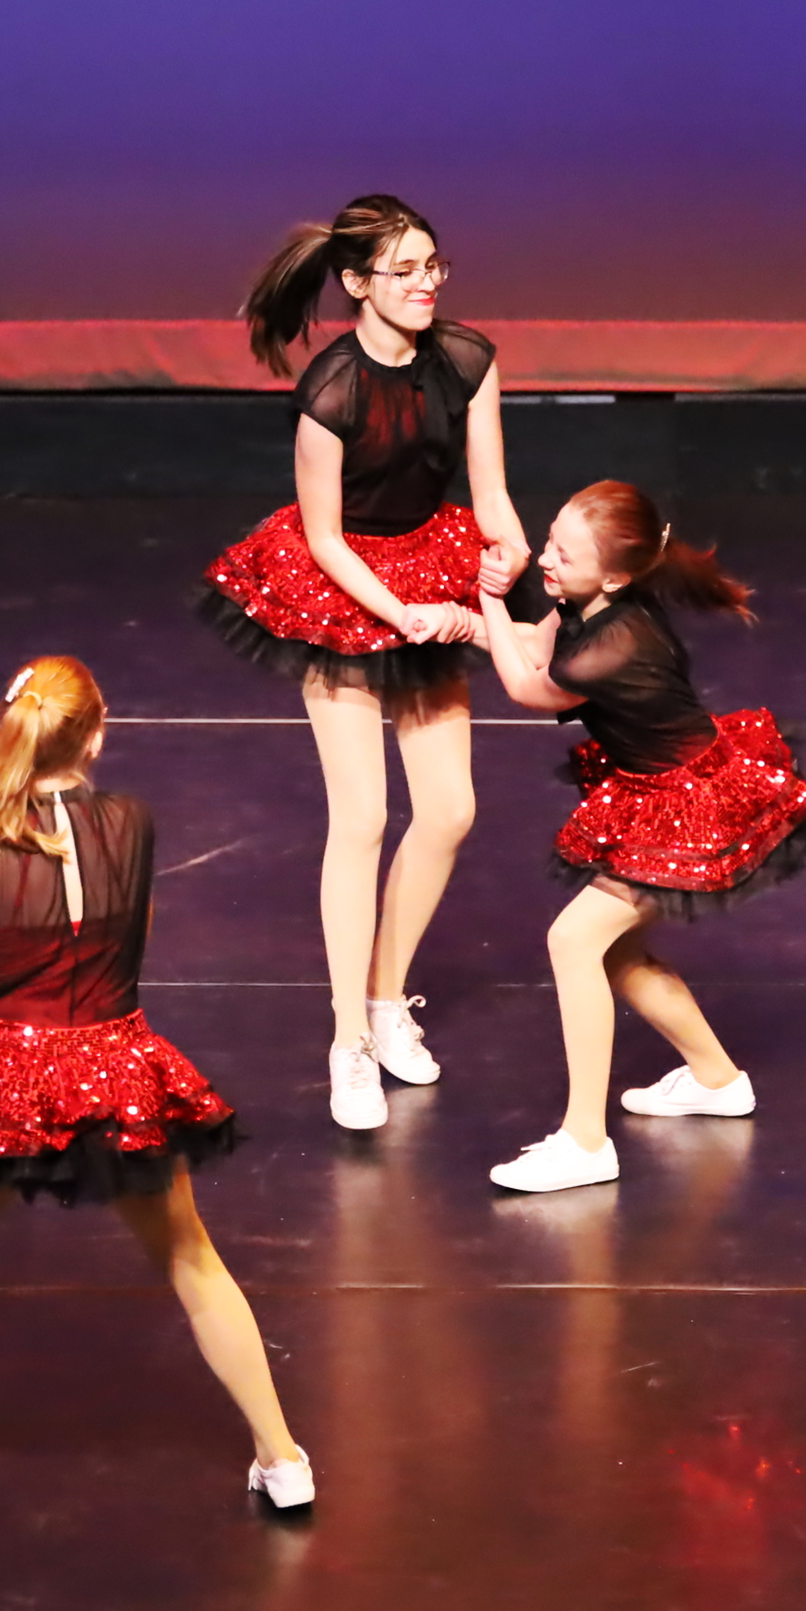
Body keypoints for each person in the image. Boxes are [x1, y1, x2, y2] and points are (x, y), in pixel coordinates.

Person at [0, 657, 313, 1568]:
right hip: (120, 1066)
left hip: (5, 1077)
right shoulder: (132, 821)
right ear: (94, 734)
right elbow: (125, 937)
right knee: (192, 1261)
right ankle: (282, 1458)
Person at [196, 193, 528, 1130]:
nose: (425, 283)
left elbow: (490, 494)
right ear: (356, 283)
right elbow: (326, 540)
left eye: (433, 266)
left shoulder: (468, 361)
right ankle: (347, 1040)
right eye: (404, 270)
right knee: (364, 816)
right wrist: (403, 614)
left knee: (450, 809)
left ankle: (386, 1001)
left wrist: (508, 554)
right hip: (344, 589)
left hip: (430, 561)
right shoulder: (330, 392)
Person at [473, 483, 806, 1194]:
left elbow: (526, 685)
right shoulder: (595, 603)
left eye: (562, 554)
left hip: (687, 805)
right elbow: (539, 639)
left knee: (573, 940)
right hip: (661, 787)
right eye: (549, 541)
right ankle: (716, 1079)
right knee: (617, 953)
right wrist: (472, 617)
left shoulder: (613, 646)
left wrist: (487, 599)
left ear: (613, 577)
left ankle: (584, 1142)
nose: (545, 559)